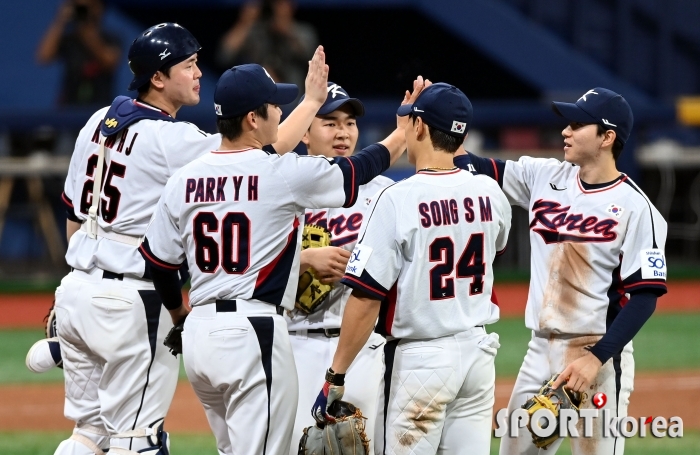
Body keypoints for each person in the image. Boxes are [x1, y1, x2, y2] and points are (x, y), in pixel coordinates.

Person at [29, 23, 330, 455]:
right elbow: (263, 152)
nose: (198, 74)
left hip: (77, 291)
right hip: (131, 300)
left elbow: (75, 217)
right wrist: (313, 101)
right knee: (137, 440)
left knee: (88, 434)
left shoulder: (97, 121)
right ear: (157, 78)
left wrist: (73, 289)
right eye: (188, 66)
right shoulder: (171, 138)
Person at [138, 66, 425, 455]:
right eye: (275, 106)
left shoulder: (185, 177)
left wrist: (179, 316)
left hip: (201, 336)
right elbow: (356, 170)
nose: (282, 114)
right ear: (253, 118)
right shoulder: (277, 173)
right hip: (256, 331)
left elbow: (158, 262)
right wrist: (401, 134)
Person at [453, 88, 668, 455]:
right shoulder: (543, 176)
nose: (566, 131)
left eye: (578, 124)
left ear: (607, 137)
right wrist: (433, 118)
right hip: (539, 349)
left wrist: (597, 358)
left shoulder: (636, 208)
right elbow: (470, 164)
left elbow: (645, 297)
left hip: (595, 354)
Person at [311, 83, 511, 455]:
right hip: (479, 355)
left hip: (423, 360)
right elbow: (492, 254)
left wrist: (335, 375)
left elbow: (367, 296)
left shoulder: (397, 198)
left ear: (417, 128)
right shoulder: (489, 191)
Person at [285, 82, 393, 455]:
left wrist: (354, 269)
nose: (343, 132)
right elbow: (247, 263)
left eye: (349, 123)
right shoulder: (281, 189)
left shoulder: (381, 192)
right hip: (293, 343)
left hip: (362, 349)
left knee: (358, 447)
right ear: (303, 133)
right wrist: (302, 260)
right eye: (330, 122)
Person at [216, 0, 318, 90]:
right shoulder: (257, 32)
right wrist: (246, 22)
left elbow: (311, 60)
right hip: (260, 97)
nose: (276, 8)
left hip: (292, 97)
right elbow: (225, 55)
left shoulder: (304, 32)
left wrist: (287, 30)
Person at [37, 0, 122, 106]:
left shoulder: (111, 39)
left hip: (99, 109)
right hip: (69, 108)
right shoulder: (69, 40)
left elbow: (109, 62)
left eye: (89, 7)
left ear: (99, 9)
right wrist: (60, 20)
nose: (84, 11)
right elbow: (44, 57)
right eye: (79, 7)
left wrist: (87, 32)